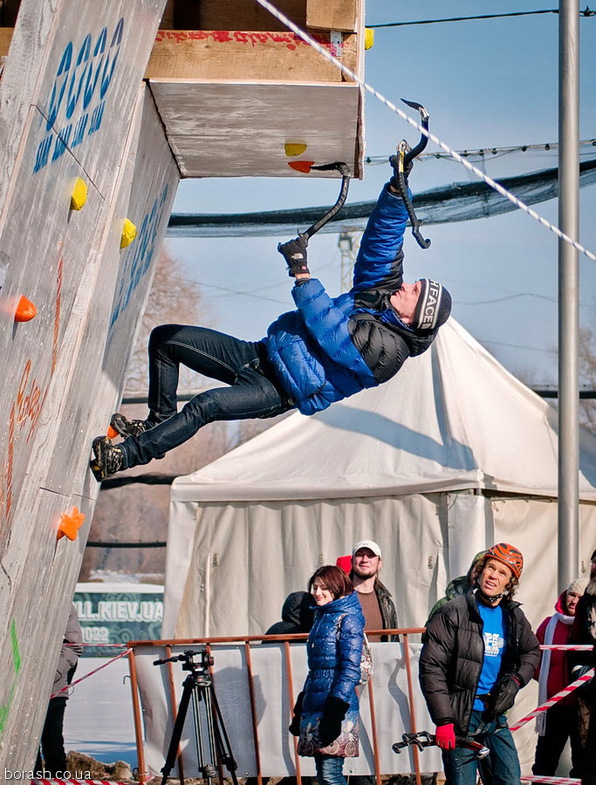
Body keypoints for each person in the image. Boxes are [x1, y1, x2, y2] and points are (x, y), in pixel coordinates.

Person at [89, 156, 452, 480]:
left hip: (277, 390)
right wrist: (395, 189)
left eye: (416, 292)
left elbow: (329, 330)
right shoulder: (381, 297)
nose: (407, 286)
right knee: (167, 340)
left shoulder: (389, 352)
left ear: (415, 319)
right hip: (260, 354)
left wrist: (302, 272)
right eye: (414, 283)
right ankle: (158, 424)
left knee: (207, 405)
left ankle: (124, 457)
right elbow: (382, 243)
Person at [419, 543, 540, 785]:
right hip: (461, 718)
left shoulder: (513, 616)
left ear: (510, 583)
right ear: (480, 571)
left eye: (502, 573)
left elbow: (532, 652)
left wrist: (515, 681)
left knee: (509, 780)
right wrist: (444, 721)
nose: (493, 575)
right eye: (490, 568)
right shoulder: (452, 612)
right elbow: (431, 668)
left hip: (495, 716)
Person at [288, 565, 365, 785]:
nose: (317, 592)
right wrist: (302, 705)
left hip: (335, 704)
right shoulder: (321, 617)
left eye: (324, 588)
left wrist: (335, 708)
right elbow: (317, 668)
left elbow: (350, 667)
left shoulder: (348, 618)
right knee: (323, 774)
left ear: (337, 588)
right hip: (318, 701)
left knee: (331, 774)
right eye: (315, 587)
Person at [532, 576, 588, 777]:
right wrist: (549, 683)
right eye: (572, 594)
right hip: (554, 705)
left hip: (584, 707)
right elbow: (533, 659)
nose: (574, 600)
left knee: (583, 764)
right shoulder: (548, 625)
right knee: (544, 763)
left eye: (581, 597)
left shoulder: (593, 626)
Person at [35, 605, 83, 777]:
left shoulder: (63, 605)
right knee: (23, 744)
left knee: (51, 740)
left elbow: (74, 646)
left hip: (52, 689)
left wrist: (50, 674)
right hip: (17, 690)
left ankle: (57, 779)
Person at [570, 549, 596, 785]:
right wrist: (577, 672)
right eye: (594, 563)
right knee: (585, 741)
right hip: (588, 678)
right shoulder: (586, 599)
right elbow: (576, 638)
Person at [350, 540, 398, 643]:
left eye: (370, 556)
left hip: (381, 659)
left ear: (379, 563)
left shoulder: (387, 603)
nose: (364, 560)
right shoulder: (339, 598)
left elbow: (394, 642)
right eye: (360, 555)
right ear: (352, 561)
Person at [425, 550, 486, 626]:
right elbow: (430, 635)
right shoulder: (444, 605)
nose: (479, 575)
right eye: (478, 569)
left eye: (484, 571)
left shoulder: (501, 608)